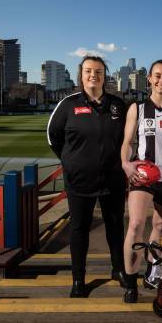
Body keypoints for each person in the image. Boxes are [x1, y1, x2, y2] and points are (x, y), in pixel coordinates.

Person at [47, 55, 127, 298]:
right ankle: (78, 279)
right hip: (79, 181)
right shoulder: (68, 105)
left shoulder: (118, 105)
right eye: (89, 71)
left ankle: (119, 270)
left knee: (115, 227)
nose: (94, 75)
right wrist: (71, 162)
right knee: (79, 229)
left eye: (99, 71)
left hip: (113, 179)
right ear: (81, 75)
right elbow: (53, 138)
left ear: (105, 76)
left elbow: (128, 139)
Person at [121, 59, 162, 303]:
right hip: (143, 176)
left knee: (159, 227)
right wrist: (126, 164)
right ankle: (130, 282)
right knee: (137, 225)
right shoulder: (137, 109)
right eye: (157, 76)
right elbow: (127, 143)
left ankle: (153, 268)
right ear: (149, 78)